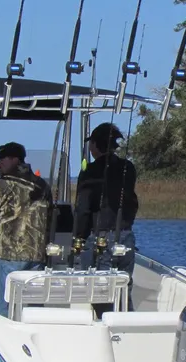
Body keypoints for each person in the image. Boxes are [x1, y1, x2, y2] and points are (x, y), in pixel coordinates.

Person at [0, 142, 52, 318]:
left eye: (1, 160)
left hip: (8, 257)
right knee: (35, 311)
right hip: (37, 258)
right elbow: (49, 218)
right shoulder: (42, 185)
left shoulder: (1, 186)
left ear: (15, 159)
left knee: (6, 310)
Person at [74, 122, 139, 317]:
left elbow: (83, 210)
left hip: (102, 238)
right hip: (126, 236)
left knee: (101, 294)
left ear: (95, 144)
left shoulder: (90, 172)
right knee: (123, 288)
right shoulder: (128, 167)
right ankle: (126, 330)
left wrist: (78, 239)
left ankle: (108, 332)